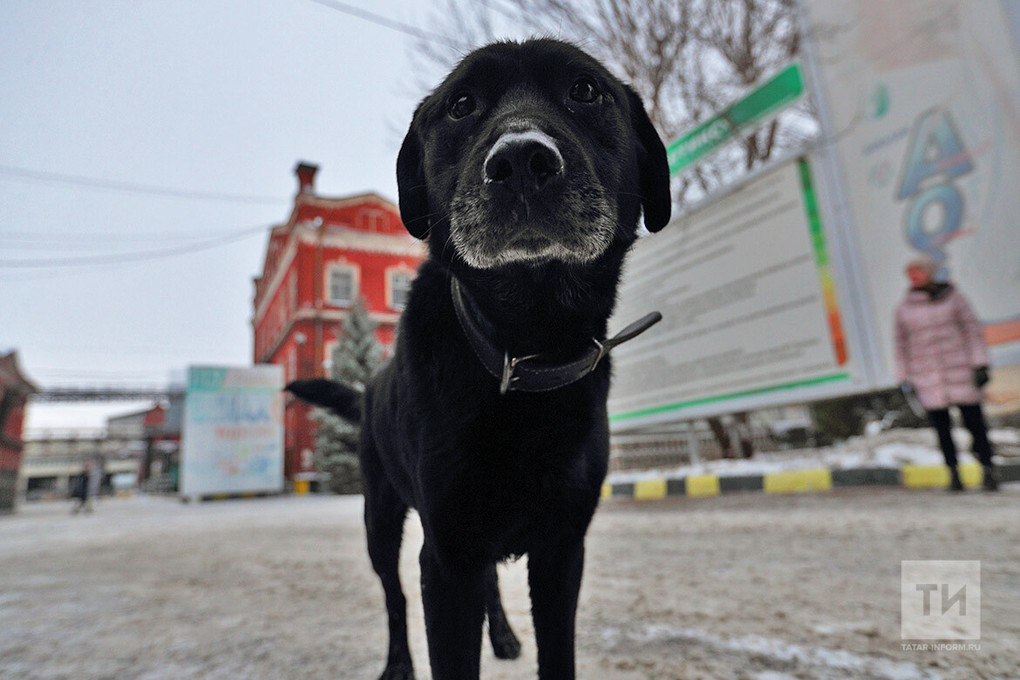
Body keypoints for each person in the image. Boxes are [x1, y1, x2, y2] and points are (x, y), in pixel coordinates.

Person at [894, 256, 998, 492]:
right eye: (910, 273)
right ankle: (954, 473)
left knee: (975, 424)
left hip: (961, 372)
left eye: (919, 271)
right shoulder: (903, 309)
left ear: (930, 272)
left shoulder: (954, 298)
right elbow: (900, 345)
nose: (915, 276)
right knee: (942, 430)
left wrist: (980, 363)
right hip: (927, 377)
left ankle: (988, 469)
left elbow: (972, 331)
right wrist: (904, 377)